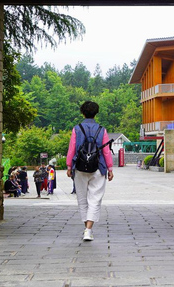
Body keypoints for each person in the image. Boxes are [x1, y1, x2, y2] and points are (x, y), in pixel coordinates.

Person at [66, 100, 114, 242]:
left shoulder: (77, 129)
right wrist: (110, 168)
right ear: (96, 113)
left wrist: (69, 166)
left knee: (82, 199)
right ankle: (88, 230)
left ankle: (86, 228)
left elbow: (72, 149)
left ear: (82, 112)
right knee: (95, 198)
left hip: (80, 167)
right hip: (98, 167)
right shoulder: (101, 129)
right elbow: (106, 151)